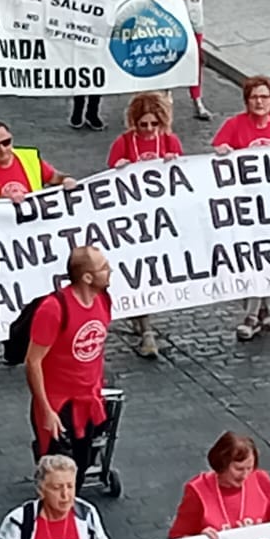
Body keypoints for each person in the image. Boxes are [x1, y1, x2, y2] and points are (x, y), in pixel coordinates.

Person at [214, 75, 270, 341]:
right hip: (246, 207)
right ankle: (257, 311)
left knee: (269, 256)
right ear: (246, 102)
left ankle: (259, 310)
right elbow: (218, 149)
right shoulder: (235, 125)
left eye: (264, 97)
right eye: (254, 98)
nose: (259, 102)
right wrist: (222, 151)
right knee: (253, 258)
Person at [26, 247, 112, 487]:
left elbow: (96, 351)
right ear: (87, 277)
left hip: (88, 403)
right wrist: (46, 410)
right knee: (58, 479)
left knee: (80, 470)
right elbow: (33, 362)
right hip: (59, 406)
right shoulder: (53, 309)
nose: (110, 271)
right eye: (103, 268)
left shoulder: (103, 299)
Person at [106, 91, 182, 360]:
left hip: (160, 221)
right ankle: (147, 329)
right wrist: (119, 168)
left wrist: (176, 164)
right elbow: (108, 178)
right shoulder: (124, 142)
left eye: (153, 124)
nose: (149, 130)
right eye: (143, 124)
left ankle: (143, 322)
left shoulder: (170, 141)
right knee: (139, 272)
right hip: (132, 221)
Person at [169, 432, 270, 539]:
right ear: (222, 464)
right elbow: (177, 538)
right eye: (239, 469)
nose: (245, 475)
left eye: (250, 468)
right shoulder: (198, 490)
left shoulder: (260, 480)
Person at [148, 0, 210, 121]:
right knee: (167, 57)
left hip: (191, 16)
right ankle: (166, 96)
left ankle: (197, 100)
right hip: (167, 18)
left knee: (195, 58)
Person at [64, 0, 113, 131]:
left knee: (97, 73)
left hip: (99, 33)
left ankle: (93, 112)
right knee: (81, 72)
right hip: (79, 33)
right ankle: (78, 110)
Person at [0, 120, 79, 202]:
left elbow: (54, 177)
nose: (2, 149)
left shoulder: (29, 158)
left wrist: (66, 179)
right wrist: (4, 201)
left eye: (6, 142)